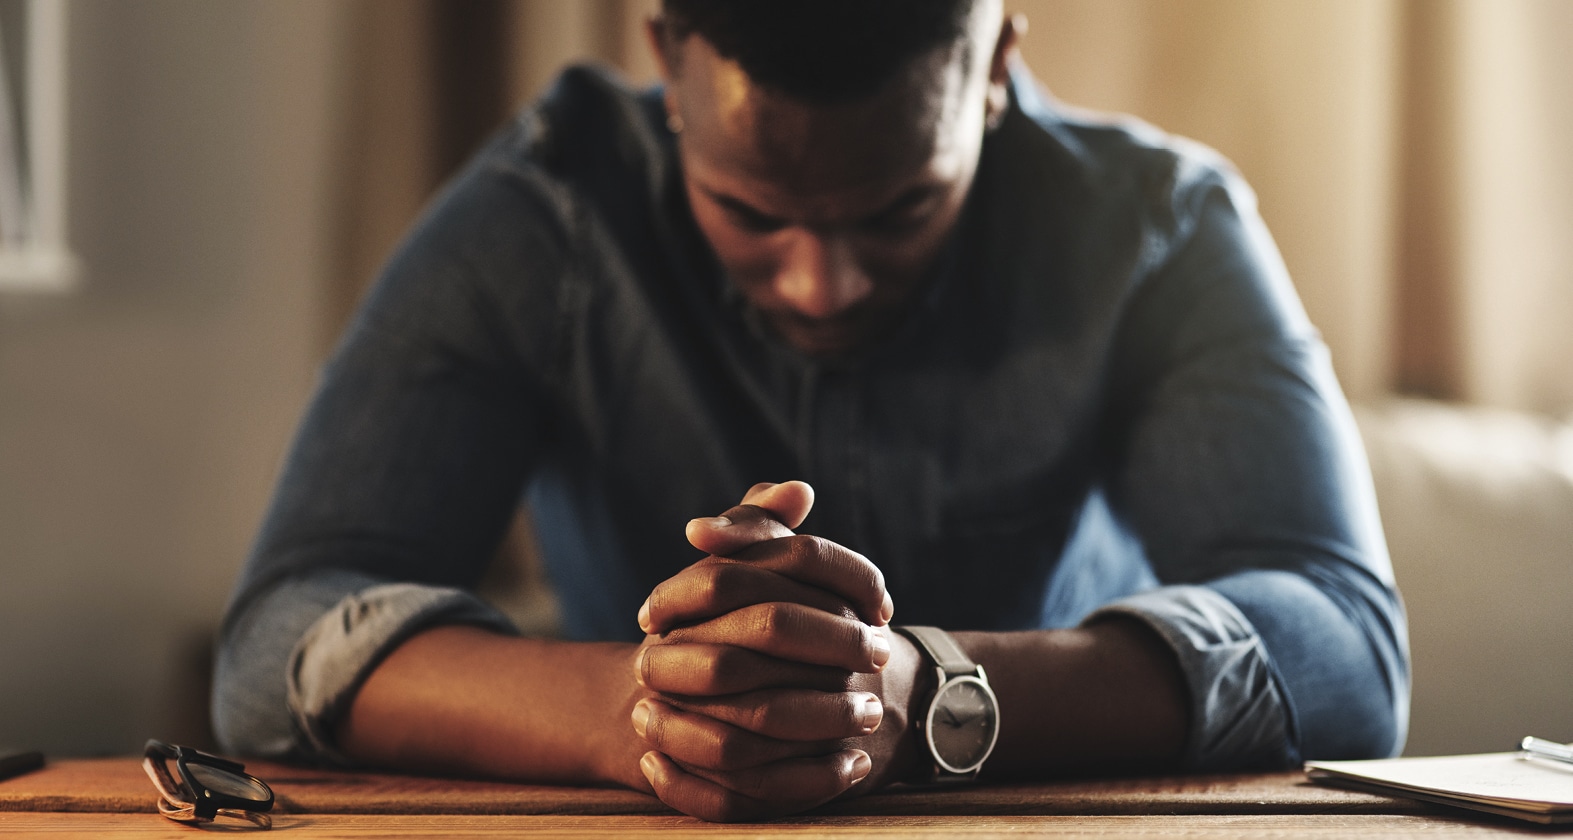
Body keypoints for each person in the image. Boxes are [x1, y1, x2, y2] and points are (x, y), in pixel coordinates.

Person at [212, 0, 1409, 822]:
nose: (816, 284)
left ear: (993, 60)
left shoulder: (1161, 229)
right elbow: (273, 642)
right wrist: (638, 711)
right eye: (747, 209)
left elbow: (1347, 648)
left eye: (897, 212)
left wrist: (926, 693)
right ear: (669, 60)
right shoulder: (544, 216)